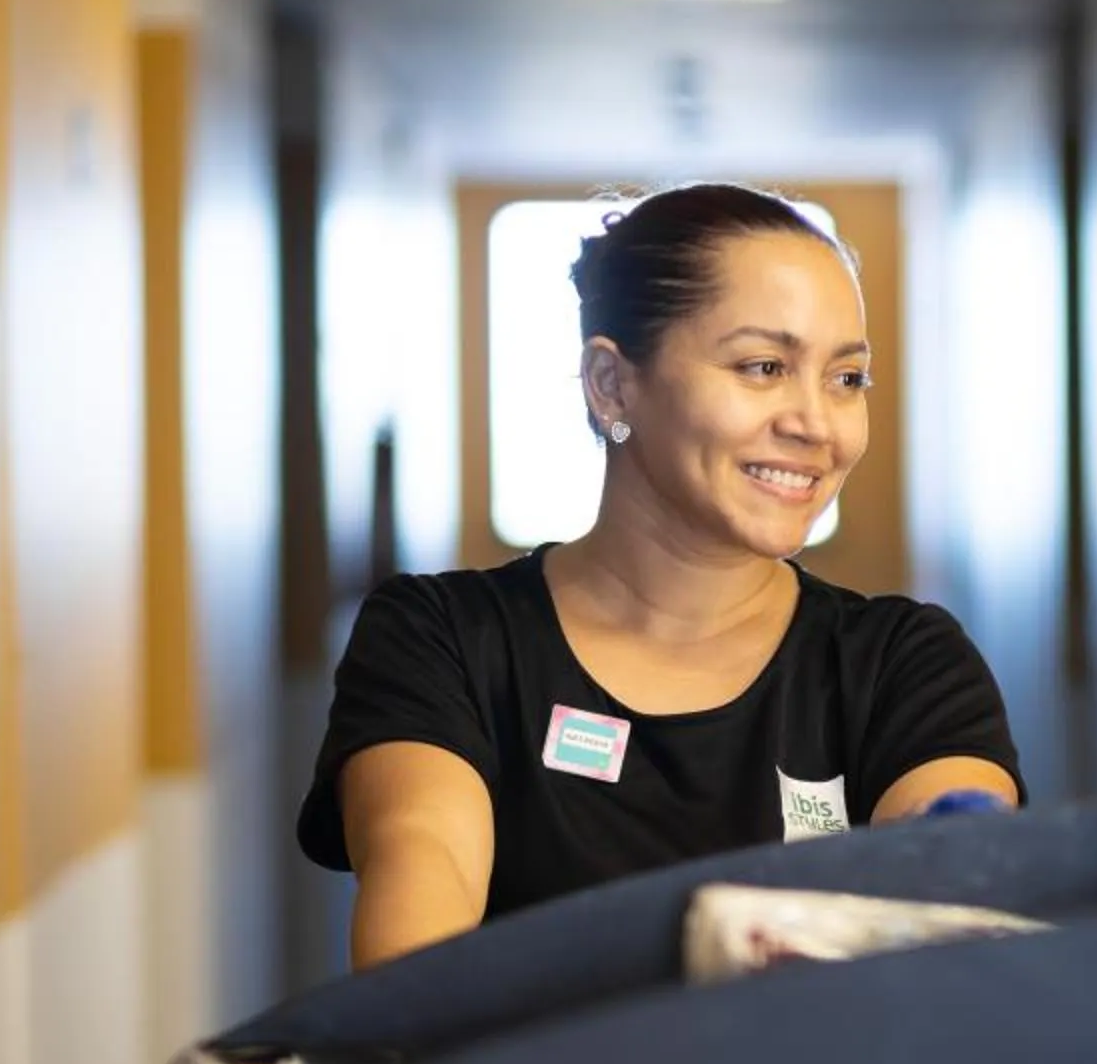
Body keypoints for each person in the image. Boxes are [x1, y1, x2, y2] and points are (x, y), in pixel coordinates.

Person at [299, 181, 1026, 969]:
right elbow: (419, 928)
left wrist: (958, 858)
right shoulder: (443, 642)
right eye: (763, 366)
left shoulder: (901, 663)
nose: (816, 424)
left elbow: (951, 890)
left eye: (846, 379)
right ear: (612, 383)